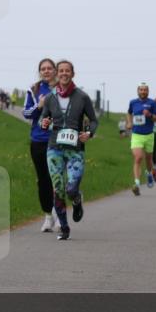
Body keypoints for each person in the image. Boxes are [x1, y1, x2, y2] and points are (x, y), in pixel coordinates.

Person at [39, 61, 98, 239]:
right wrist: (44, 122)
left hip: (75, 150)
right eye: (61, 71)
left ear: (73, 73)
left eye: (67, 71)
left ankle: (77, 199)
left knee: (71, 188)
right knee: (57, 189)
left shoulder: (82, 97)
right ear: (58, 73)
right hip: (54, 148)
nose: (64, 73)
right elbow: (44, 118)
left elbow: (94, 120)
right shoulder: (50, 97)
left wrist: (89, 133)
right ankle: (64, 228)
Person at [23, 59, 58, 233]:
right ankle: (48, 216)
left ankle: (58, 213)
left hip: (58, 140)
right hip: (38, 140)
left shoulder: (63, 88)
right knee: (43, 179)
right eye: (43, 69)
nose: (46, 71)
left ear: (55, 70)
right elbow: (26, 113)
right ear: (39, 72)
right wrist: (39, 105)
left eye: (49, 68)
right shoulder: (34, 89)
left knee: (58, 177)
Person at [125, 83, 156, 195]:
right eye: (141, 90)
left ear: (148, 91)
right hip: (136, 135)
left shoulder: (152, 103)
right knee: (138, 158)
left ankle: (149, 174)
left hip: (149, 135)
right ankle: (137, 183)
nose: (143, 91)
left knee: (149, 160)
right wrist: (129, 122)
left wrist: (150, 115)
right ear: (138, 91)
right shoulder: (133, 102)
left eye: (145, 90)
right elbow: (129, 113)